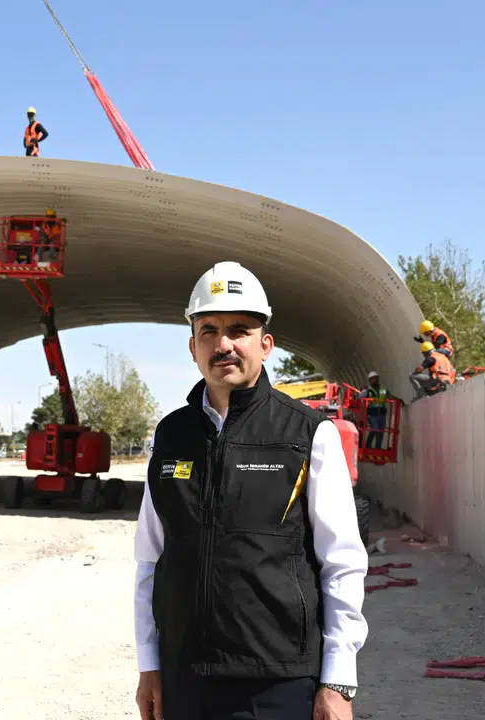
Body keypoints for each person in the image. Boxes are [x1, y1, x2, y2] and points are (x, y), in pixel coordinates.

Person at [134, 261, 369, 720]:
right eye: (209, 330)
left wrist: (338, 679)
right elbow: (150, 559)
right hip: (186, 677)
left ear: (265, 345)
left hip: (278, 680)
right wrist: (150, 666)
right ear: (192, 347)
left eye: (239, 329)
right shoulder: (171, 435)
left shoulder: (307, 434)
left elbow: (342, 562)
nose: (223, 344)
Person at [360, 371, 389, 450]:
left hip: (382, 413)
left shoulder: (382, 389)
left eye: (376, 378)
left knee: (381, 431)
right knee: (375, 429)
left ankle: (377, 448)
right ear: (370, 380)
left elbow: (389, 396)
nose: (375, 380)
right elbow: (360, 397)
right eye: (373, 379)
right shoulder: (368, 390)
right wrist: (363, 391)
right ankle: (368, 445)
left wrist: (399, 400)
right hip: (372, 414)